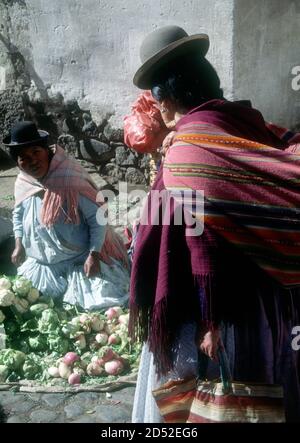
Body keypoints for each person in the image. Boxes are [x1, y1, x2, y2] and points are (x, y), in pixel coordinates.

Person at [128, 25, 300, 422]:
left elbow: (200, 243)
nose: (155, 108)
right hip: (272, 297)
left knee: (226, 398)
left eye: (155, 96)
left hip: (227, 307)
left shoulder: (188, 153)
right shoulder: (246, 123)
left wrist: (209, 320)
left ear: (167, 96)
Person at [4, 121, 130, 310]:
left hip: (79, 259)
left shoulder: (69, 180)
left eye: (36, 152)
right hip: (44, 263)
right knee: (32, 306)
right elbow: (18, 213)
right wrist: (19, 244)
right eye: (23, 157)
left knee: (98, 306)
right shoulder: (24, 182)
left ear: (47, 151)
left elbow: (98, 219)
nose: (32, 161)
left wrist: (94, 255)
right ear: (18, 163)